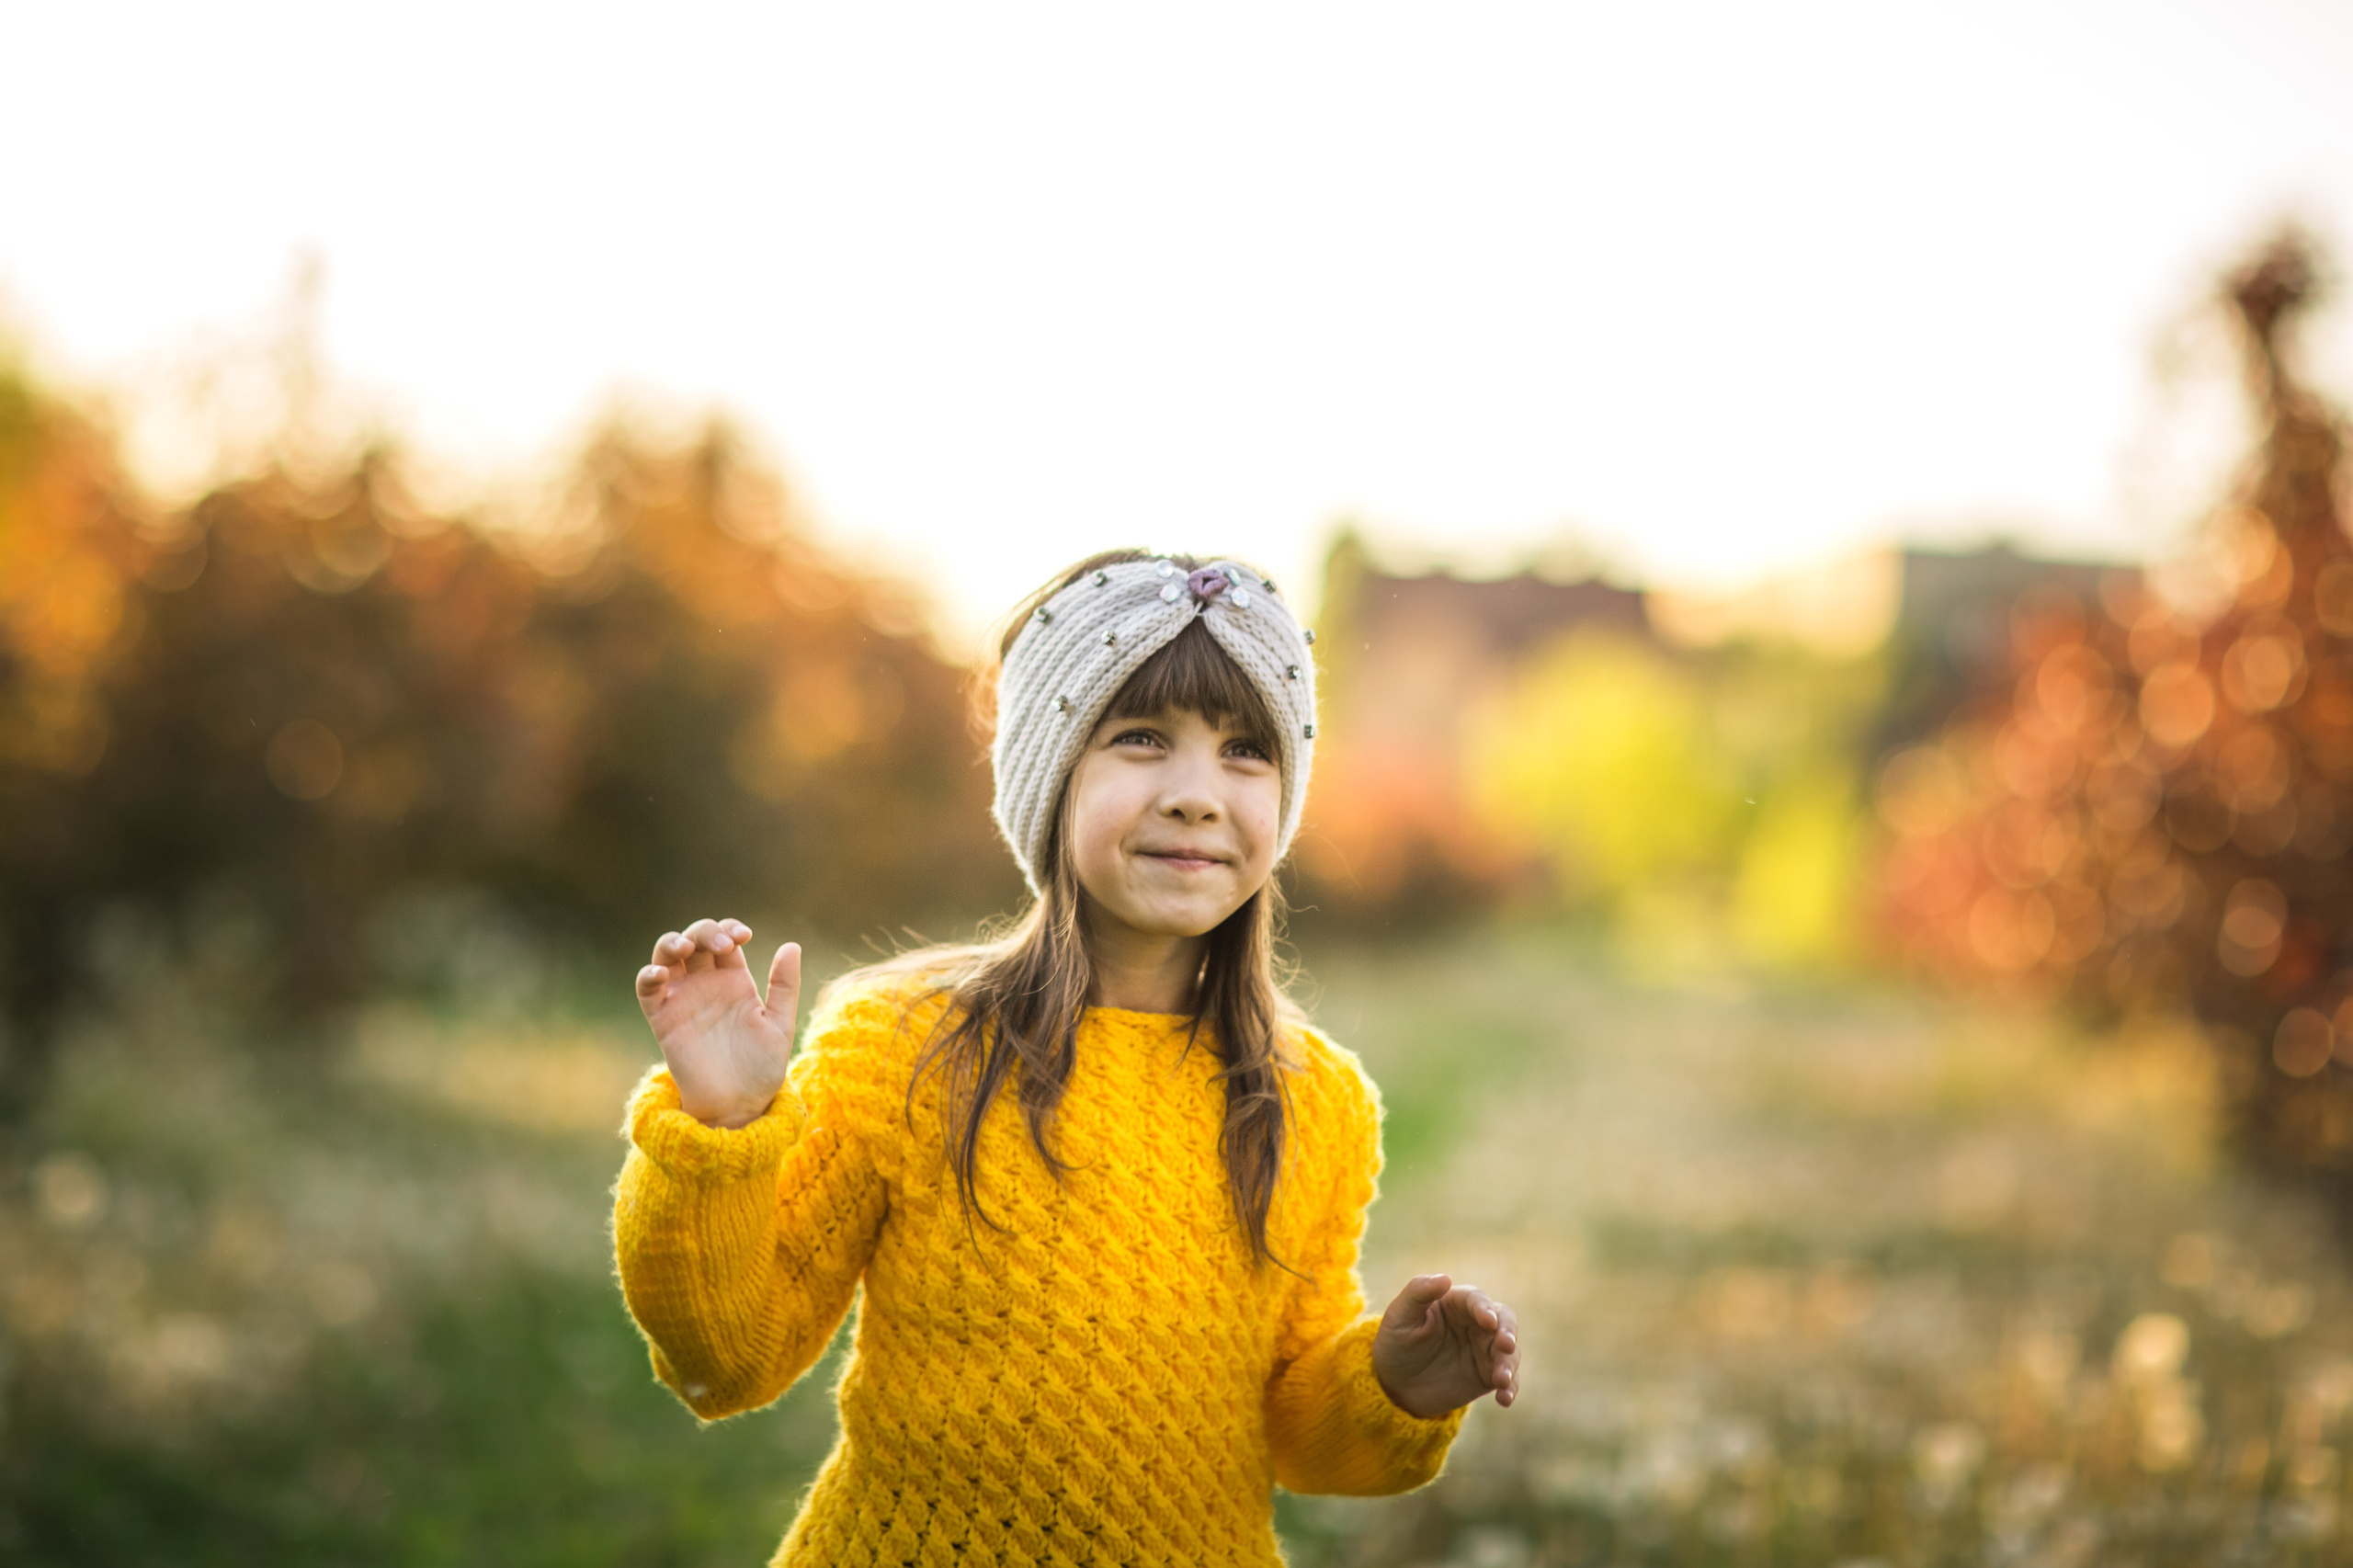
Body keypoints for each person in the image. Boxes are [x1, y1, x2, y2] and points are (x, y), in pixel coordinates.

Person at [613, 549, 1522, 1564]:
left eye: (1245, 750)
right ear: (1047, 777)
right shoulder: (906, 1041)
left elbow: (1294, 1429)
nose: (1195, 792)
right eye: (1140, 737)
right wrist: (723, 1129)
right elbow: (726, 1361)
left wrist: (1394, 1383)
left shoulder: (1315, 1099)